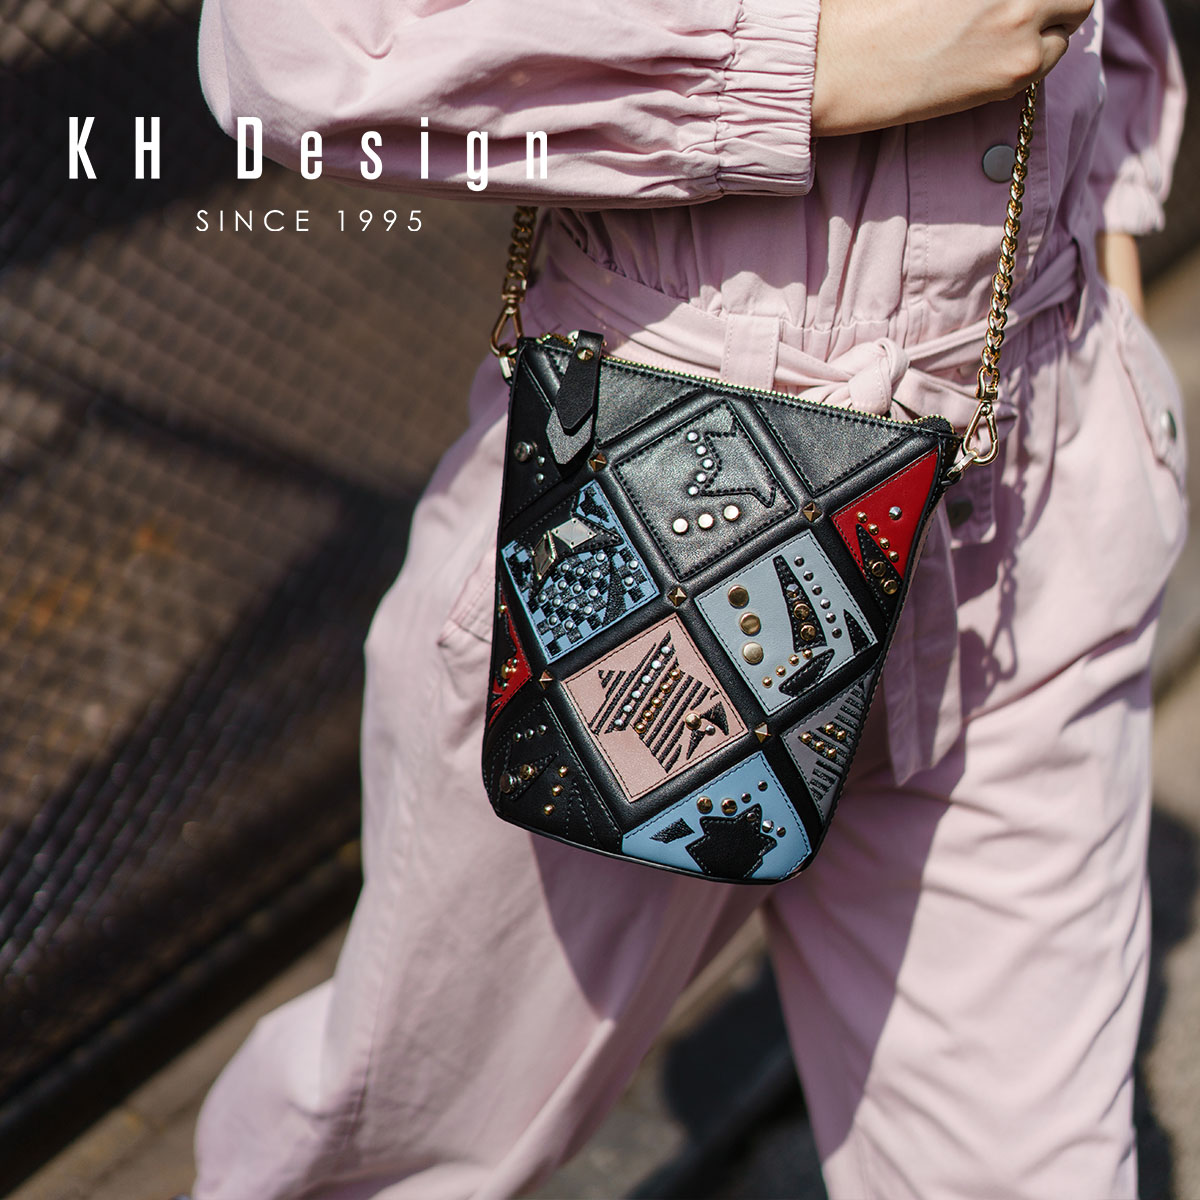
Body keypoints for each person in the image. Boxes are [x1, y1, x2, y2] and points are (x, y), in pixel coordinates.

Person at [190, 1, 1187, 1196]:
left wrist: (1107, 238)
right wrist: (798, 69)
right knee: (404, 1145)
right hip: (644, 510)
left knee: (1028, 1172)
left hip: (1030, 511)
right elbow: (299, 53)